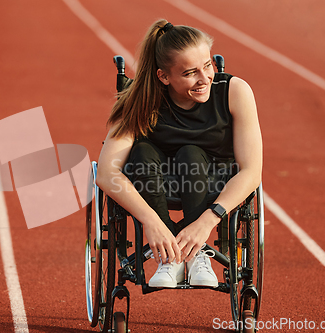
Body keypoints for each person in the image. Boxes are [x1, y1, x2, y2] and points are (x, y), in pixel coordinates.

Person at [95, 19, 262, 288]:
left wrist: (207, 221)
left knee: (191, 153)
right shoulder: (139, 101)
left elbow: (252, 171)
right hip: (152, 183)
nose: (205, 78)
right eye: (190, 73)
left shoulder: (235, 92)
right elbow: (106, 173)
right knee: (142, 151)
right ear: (164, 76)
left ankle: (196, 253)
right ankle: (169, 258)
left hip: (212, 184)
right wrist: (151, 222)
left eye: (207, 66)